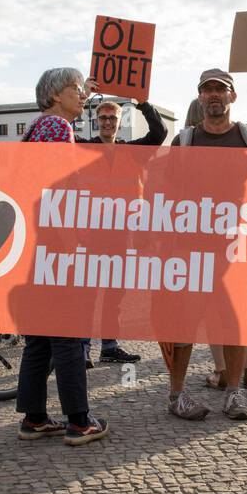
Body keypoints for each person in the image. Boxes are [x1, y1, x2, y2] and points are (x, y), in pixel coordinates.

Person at [14, 67, 110, 443]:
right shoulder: (57, 129)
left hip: (36, 246)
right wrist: (71, 243)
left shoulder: (39, 127)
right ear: (56, 95)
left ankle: (35, 418)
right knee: (69, 334)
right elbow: (53, 189)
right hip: (55, 244)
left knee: (39, 337)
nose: (82, 94)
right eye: (75, 88)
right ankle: (79, 421)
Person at [161, 69, 247, 422]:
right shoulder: (184, 141)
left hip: (237, 247)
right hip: (191, 248)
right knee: (185, 323)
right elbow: (168, 194)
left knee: (234, 321)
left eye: (221, 89)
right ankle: (176, 395)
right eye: (208, 90)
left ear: (232, 96)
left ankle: (234, 393)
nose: (214, 95)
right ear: (199, 97)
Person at [74, 93, 167, 366]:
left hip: (121, 233)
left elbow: (159, 132)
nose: (107, 123)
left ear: (119, 121)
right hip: (91, 233)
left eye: (112, 118)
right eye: (102, 118)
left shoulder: (132, 152)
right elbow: (60, 131)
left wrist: (143, 102)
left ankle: (109, 346)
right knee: (89, 292)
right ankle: (82, 348)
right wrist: (81, 99)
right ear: (95, 120)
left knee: (115, 293)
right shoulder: (84, 149)